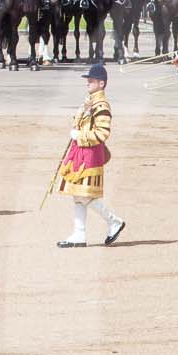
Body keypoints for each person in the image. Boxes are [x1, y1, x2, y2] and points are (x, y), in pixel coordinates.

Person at [56, 63, 127, 247]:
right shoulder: (90, 101)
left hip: (90, 153)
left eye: (92, 80)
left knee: (85, 194)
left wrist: (80, 136)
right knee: (77, 194)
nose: (88, 82)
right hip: (81, 152)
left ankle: (113, 221)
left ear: (101, 83)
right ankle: (79, 233)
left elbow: (102, 133)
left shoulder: (101, 104)